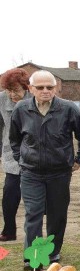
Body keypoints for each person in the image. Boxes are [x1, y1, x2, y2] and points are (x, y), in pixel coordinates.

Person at [10, 70, 80, 270]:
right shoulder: (21, 109)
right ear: (31, 89)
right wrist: (21, 159)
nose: (45, 91)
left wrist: (79, 160)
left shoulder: (68, 109)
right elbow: (14, 139)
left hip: (59, 173)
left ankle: (52, 253)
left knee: (57, 215)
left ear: (55, 88)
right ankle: (34, 258)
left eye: (50, 87)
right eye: (40, 87)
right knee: (33, 214)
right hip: (31, 173)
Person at [0, 68, 30, 241]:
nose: (12, 94)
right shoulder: (1, 99)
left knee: (37, 197)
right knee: (10, 192)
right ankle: (9, 230)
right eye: (8, 90)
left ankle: (38, 234)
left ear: (25, 88)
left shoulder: (34, 98)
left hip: (33, 153)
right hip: (11, 153)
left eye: (16, 90)